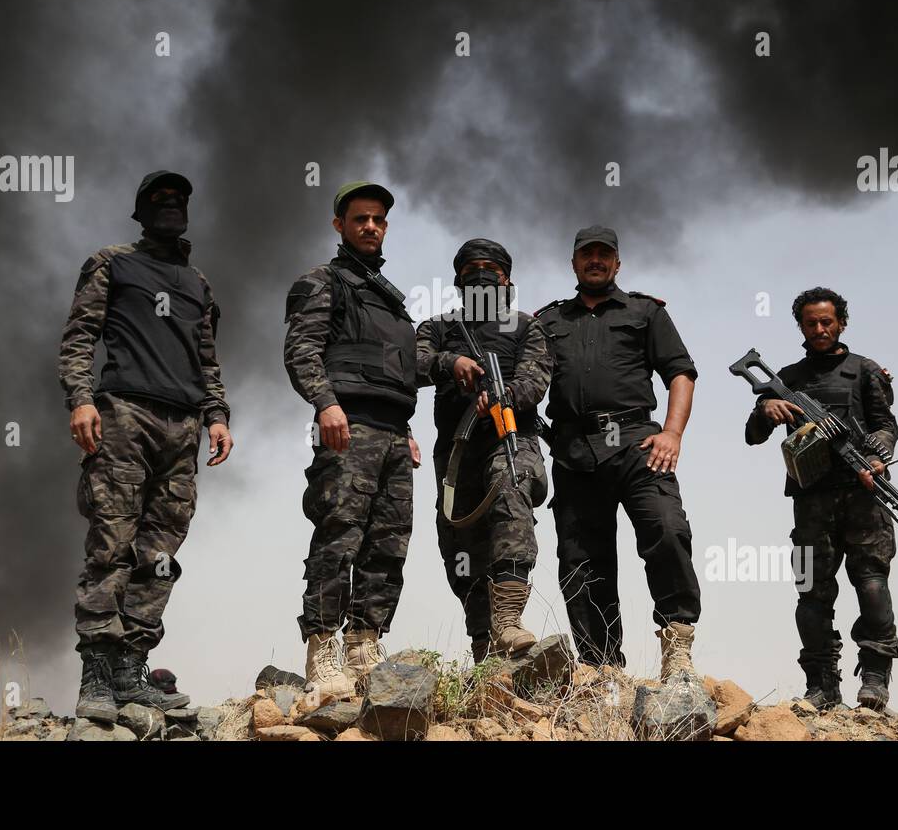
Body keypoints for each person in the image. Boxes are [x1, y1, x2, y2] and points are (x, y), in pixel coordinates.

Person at [58, 169, 233, 721]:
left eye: (178, 200)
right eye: (159, 200)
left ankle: (132, 669)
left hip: (182, 428)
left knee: (159, 556)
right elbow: (79, 337)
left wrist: (217, 415)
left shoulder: (197, 283)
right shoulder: (112, 263)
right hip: (123, 415)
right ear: (140, 213)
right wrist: (81, 400)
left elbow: (206, 359)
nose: (170, 207)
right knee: (111, 544)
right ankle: (97, 677)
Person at [536, 226, 703, 680]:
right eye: (586, 254)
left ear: (617, 263)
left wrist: (673, 432)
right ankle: (600, 666)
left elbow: (680, 372)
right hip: (573, 449)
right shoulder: (548, 321)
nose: (595, 260)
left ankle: (677, 646)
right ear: (573, 262)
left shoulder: (645, 312)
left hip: (637, 442)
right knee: (580, 559)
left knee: (667, 531)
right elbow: (523, 381)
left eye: (603, 254)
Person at [284, 182, 420, 705]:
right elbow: (301, 352)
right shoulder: (323, 282)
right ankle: (323, 648)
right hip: (347, 427)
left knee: (389, 541)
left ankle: (365, 642)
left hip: (391, 434)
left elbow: (398, 373)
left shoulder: (391, 301)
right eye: (360, 218)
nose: (370, 226)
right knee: (339, 533)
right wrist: (325, 404)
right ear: (339, 224)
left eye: (378, 219)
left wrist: (406, 428)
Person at [743, 286, 898, 710]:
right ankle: (821, 684)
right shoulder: (789, 379)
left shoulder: (865, 370)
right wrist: (765, 410)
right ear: (801, 326)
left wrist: (876, 456)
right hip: (811, 500)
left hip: (862, 494)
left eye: (827, 321)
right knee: (811, 591)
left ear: (841, 322)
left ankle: (875, 678)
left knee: (871, 583)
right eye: (811, 323)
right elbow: (752, 436)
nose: (820, 329)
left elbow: (887, 426)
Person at [415, 239, 552, 663]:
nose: (480, 274)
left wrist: (502, 395)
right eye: (470, 268)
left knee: (511, 499)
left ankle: (508, 619)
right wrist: (450, 363)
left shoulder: (527, 326)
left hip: (511, 439)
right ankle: (484, 646)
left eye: (490, 268)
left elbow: (536, 379)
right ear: (458, 279)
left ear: (506, 278)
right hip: (456, 452)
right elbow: (413, 363)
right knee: (459, 541)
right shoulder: (438, 328)